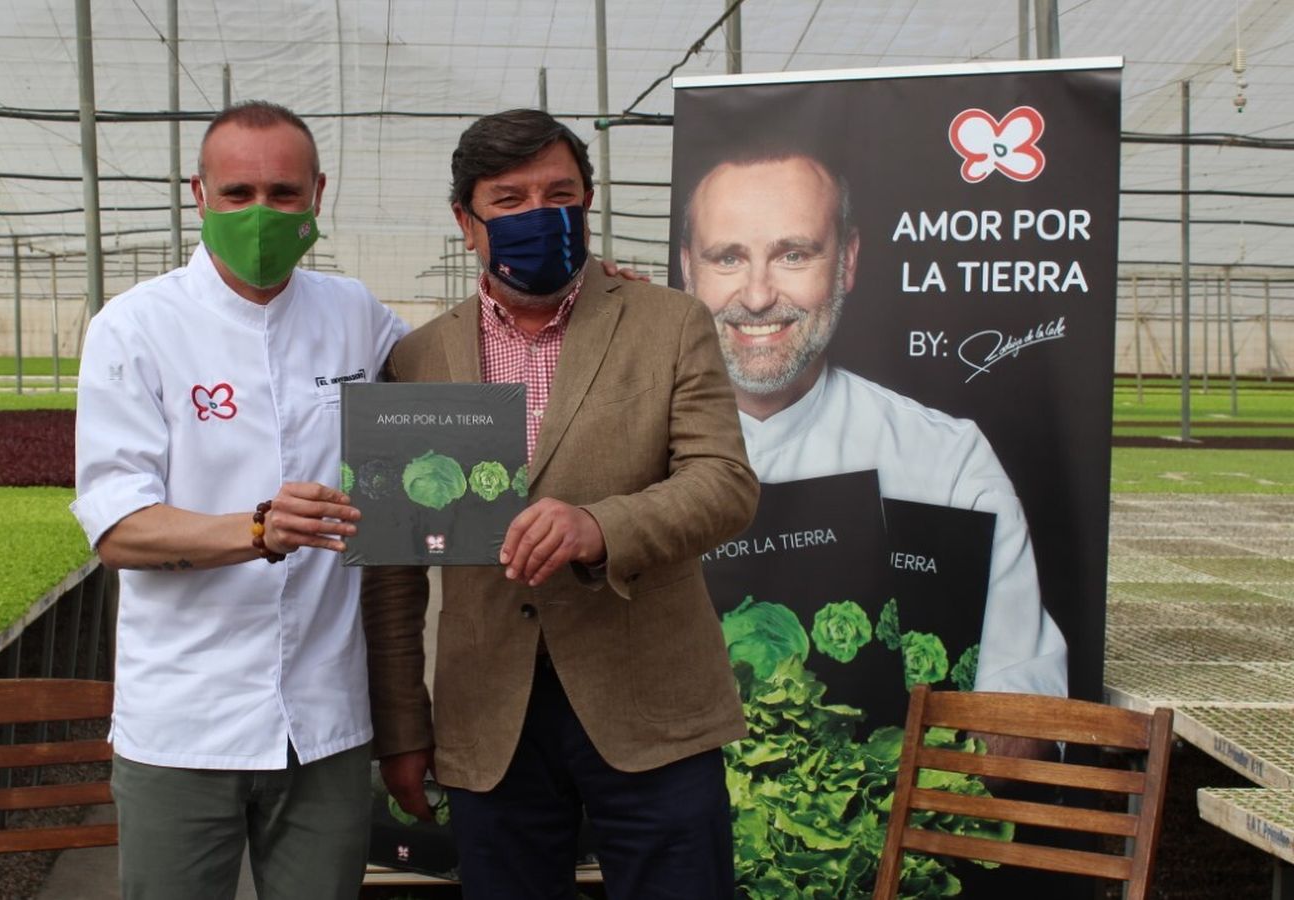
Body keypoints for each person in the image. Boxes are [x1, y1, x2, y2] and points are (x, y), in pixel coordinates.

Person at [362, 108, 759, 899]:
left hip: (652, 704)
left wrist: (602, 525)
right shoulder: (416, 358)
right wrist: (404, 728)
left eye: (560, 193)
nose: (539, 216)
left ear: (587, 202)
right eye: (508, 201)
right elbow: (395, 568)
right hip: (489, 714)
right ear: (465, 222)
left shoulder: (668, 322)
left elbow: (724, 483)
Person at [70, 100, 408, 900]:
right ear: (199, 194)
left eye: (283, 194)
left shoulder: (353, 313)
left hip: (323, 723)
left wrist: (577, 302)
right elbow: (118, 526)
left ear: (317, 194)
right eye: (238, 194)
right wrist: (257, 528)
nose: (262, 213)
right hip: (185, 725)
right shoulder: (136, 329)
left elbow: (457, 367)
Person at [678, 143, 1068, 702]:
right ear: (689, 269)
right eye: (728, 259)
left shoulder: (947, 461)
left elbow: (1022, 692)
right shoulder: (617, 453)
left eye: (793, 255)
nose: (759, 295)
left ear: (848, 261)